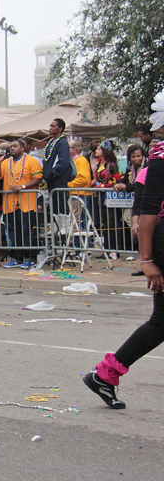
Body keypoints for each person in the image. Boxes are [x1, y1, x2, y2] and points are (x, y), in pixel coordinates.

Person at [83, 140, 164, 409]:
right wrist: (146, 259)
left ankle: (105, 374)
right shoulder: (161, 155)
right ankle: (106, 373)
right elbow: (148, 209)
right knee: (161, 321)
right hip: (162, 241)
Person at [0, 140, 43, 269]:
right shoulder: (6, 162)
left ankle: (30, 258)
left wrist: (22, 186)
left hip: (27, 203)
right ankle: (16, 258)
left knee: (27, 231)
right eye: (11, 146)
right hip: (10, 204)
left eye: (15, 146)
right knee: (12, 232)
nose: (12, 148)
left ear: (23, 148)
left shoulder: (31, 160)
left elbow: (38, 178)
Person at [43, 118, 71, 214]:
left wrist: (53, 173)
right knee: (54, 205)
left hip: (59, 179)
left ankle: (64, 227)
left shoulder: (62, 142)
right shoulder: (51, 142)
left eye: (53, 126)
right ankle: (56, 227)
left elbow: (63, 162)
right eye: (50, 126)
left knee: (61, 204)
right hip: (51, 179)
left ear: (60, 128)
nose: (50, 128)